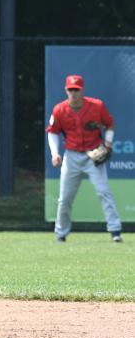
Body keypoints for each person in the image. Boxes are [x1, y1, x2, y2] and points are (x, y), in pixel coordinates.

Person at [47, 73, 122, 243]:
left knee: (103, 192)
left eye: (76, 90)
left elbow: (109, 124)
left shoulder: (97, 106)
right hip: (71, 156)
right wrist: (54, 153)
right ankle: (61, 233)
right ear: (66, 90)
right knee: (65, 197)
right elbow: (52, 132)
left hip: (93, 155)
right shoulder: (59, 109)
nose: (73, 93)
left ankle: (115, 231)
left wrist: (108, 143)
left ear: (82, 90)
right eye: (70, 89)